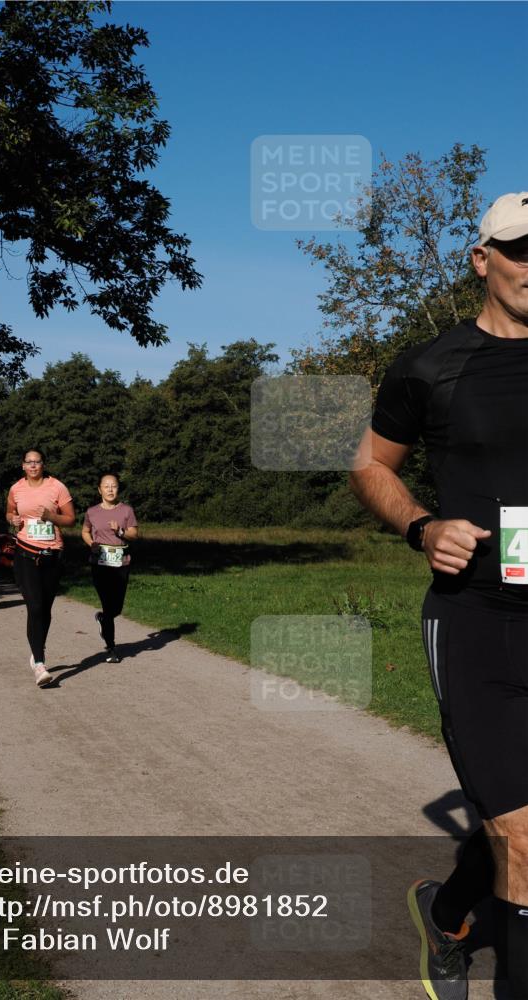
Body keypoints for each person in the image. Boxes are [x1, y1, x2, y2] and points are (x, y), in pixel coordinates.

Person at [349, 192, 528, 1000]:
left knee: (512, 829)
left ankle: (448, 913)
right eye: (520, 249)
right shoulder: (431, 365)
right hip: (477, 621)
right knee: (522, 834)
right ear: (482, 259)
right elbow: (370, 465)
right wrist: (423, 527)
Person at [6, 449, 75, 687]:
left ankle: (37, 648)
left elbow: (71, 519)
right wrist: (12, 519)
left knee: (45, 609)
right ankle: (39, 664)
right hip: (25, 553)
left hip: (52, 555)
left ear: (43, 464)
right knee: (34, 606)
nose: (33, 465)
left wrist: (51, 516)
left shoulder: (57, 487)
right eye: (29, 462)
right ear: (23, 465)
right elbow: (9, 512)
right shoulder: (16, 488)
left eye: (37, 462)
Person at [81, 474, 139, 663]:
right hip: (100, 564)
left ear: (118, 489)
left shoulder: (126, 510)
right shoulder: (92, 512)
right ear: (100, 490)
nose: (110, 489)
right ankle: (111, 648)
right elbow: (85, 531)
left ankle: (103, 619)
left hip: (121, 563)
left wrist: (120, 531)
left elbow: (134, 534)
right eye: (106, 486)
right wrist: (91, 544)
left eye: (113, 486)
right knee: (107, 604)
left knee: (116, 608)